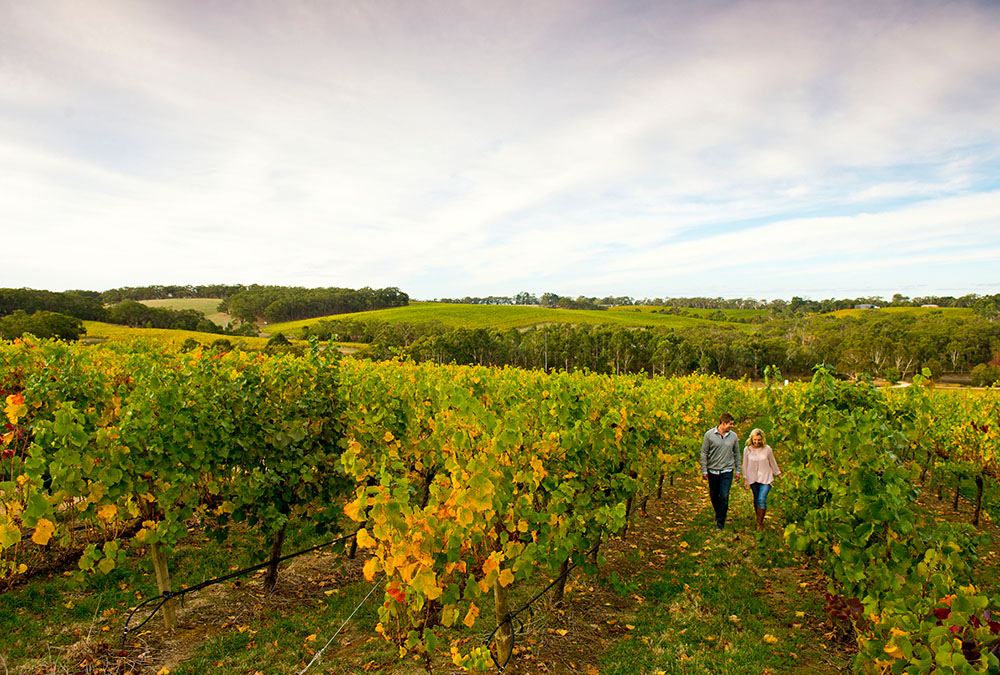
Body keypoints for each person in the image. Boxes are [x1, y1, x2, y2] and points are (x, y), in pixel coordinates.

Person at [700, 413, 740, 530]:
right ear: (723, 423)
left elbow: (737, 453)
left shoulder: (733, 436)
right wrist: (704, 469)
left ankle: (720, 522)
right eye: (730, 424)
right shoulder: (709, 435)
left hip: (727, 470)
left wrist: (738, 470)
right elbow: (704, 452)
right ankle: (719, 513)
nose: (732, 426)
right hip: (713, 470)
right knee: (714, 495)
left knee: (724, 495)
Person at [742, 428, 780, 531]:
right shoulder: (747, 450)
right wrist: (745, 478)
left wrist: (778, 474)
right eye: (755, 440)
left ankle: (759, 523)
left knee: (761, 499)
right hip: (753, 478)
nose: (757, 442)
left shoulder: (767, 449)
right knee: (756, 499)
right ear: (752, 439)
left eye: (759, 440)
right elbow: (745, 465)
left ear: (762, 439)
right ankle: (758, 517)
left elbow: (773, 462)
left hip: (766, 478)